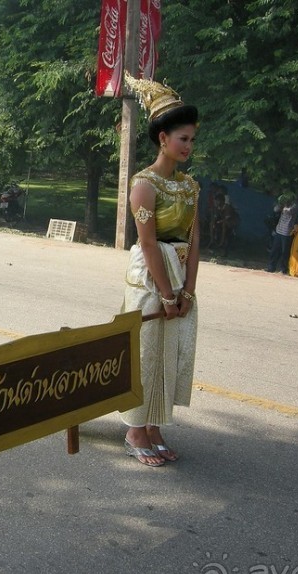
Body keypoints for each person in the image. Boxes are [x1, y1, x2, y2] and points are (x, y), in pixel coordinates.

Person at [119, 73, 200, 467]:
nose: (188, 146)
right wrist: (167, 294)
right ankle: (135, 428)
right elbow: (148, 243)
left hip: (179, 278)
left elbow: (195, 240)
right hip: (152, 281)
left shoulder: (189, 187)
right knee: (146, 351)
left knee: (172, 353)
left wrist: (187, 292)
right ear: (162, 138)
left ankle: (154, 425)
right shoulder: (144, 185)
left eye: (192, 139)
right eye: (182, 138)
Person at [265, 192, 296, 273]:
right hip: (279, 231)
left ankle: (284, 269)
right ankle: (271, 267)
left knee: (284, 252)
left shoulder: (294, 206)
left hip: (287, 233)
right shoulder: (283, 206)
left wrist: (283, 206)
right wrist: (280, 203)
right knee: (274, 250)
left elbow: (289, 211)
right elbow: (275, 209)